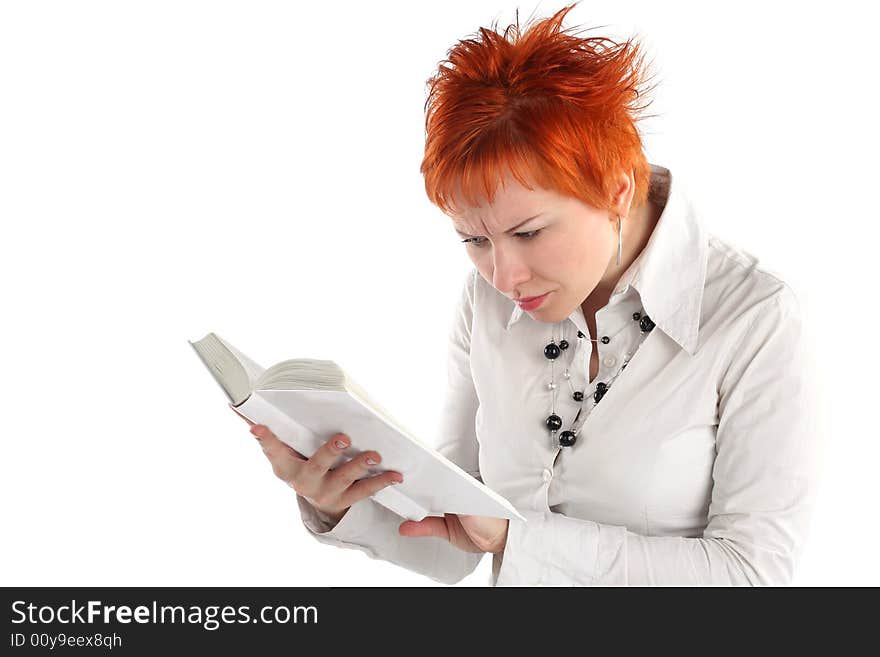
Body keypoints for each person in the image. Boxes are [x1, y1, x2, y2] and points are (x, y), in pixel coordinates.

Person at [234, 3, 821, 585]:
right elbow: (457, 544)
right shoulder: (484, 304)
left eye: (528, 233)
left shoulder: (753, 319)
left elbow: (752, 577)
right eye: (474, 239)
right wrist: (338, 502)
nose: (504, 277)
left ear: (616, 189)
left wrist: (522, 539)